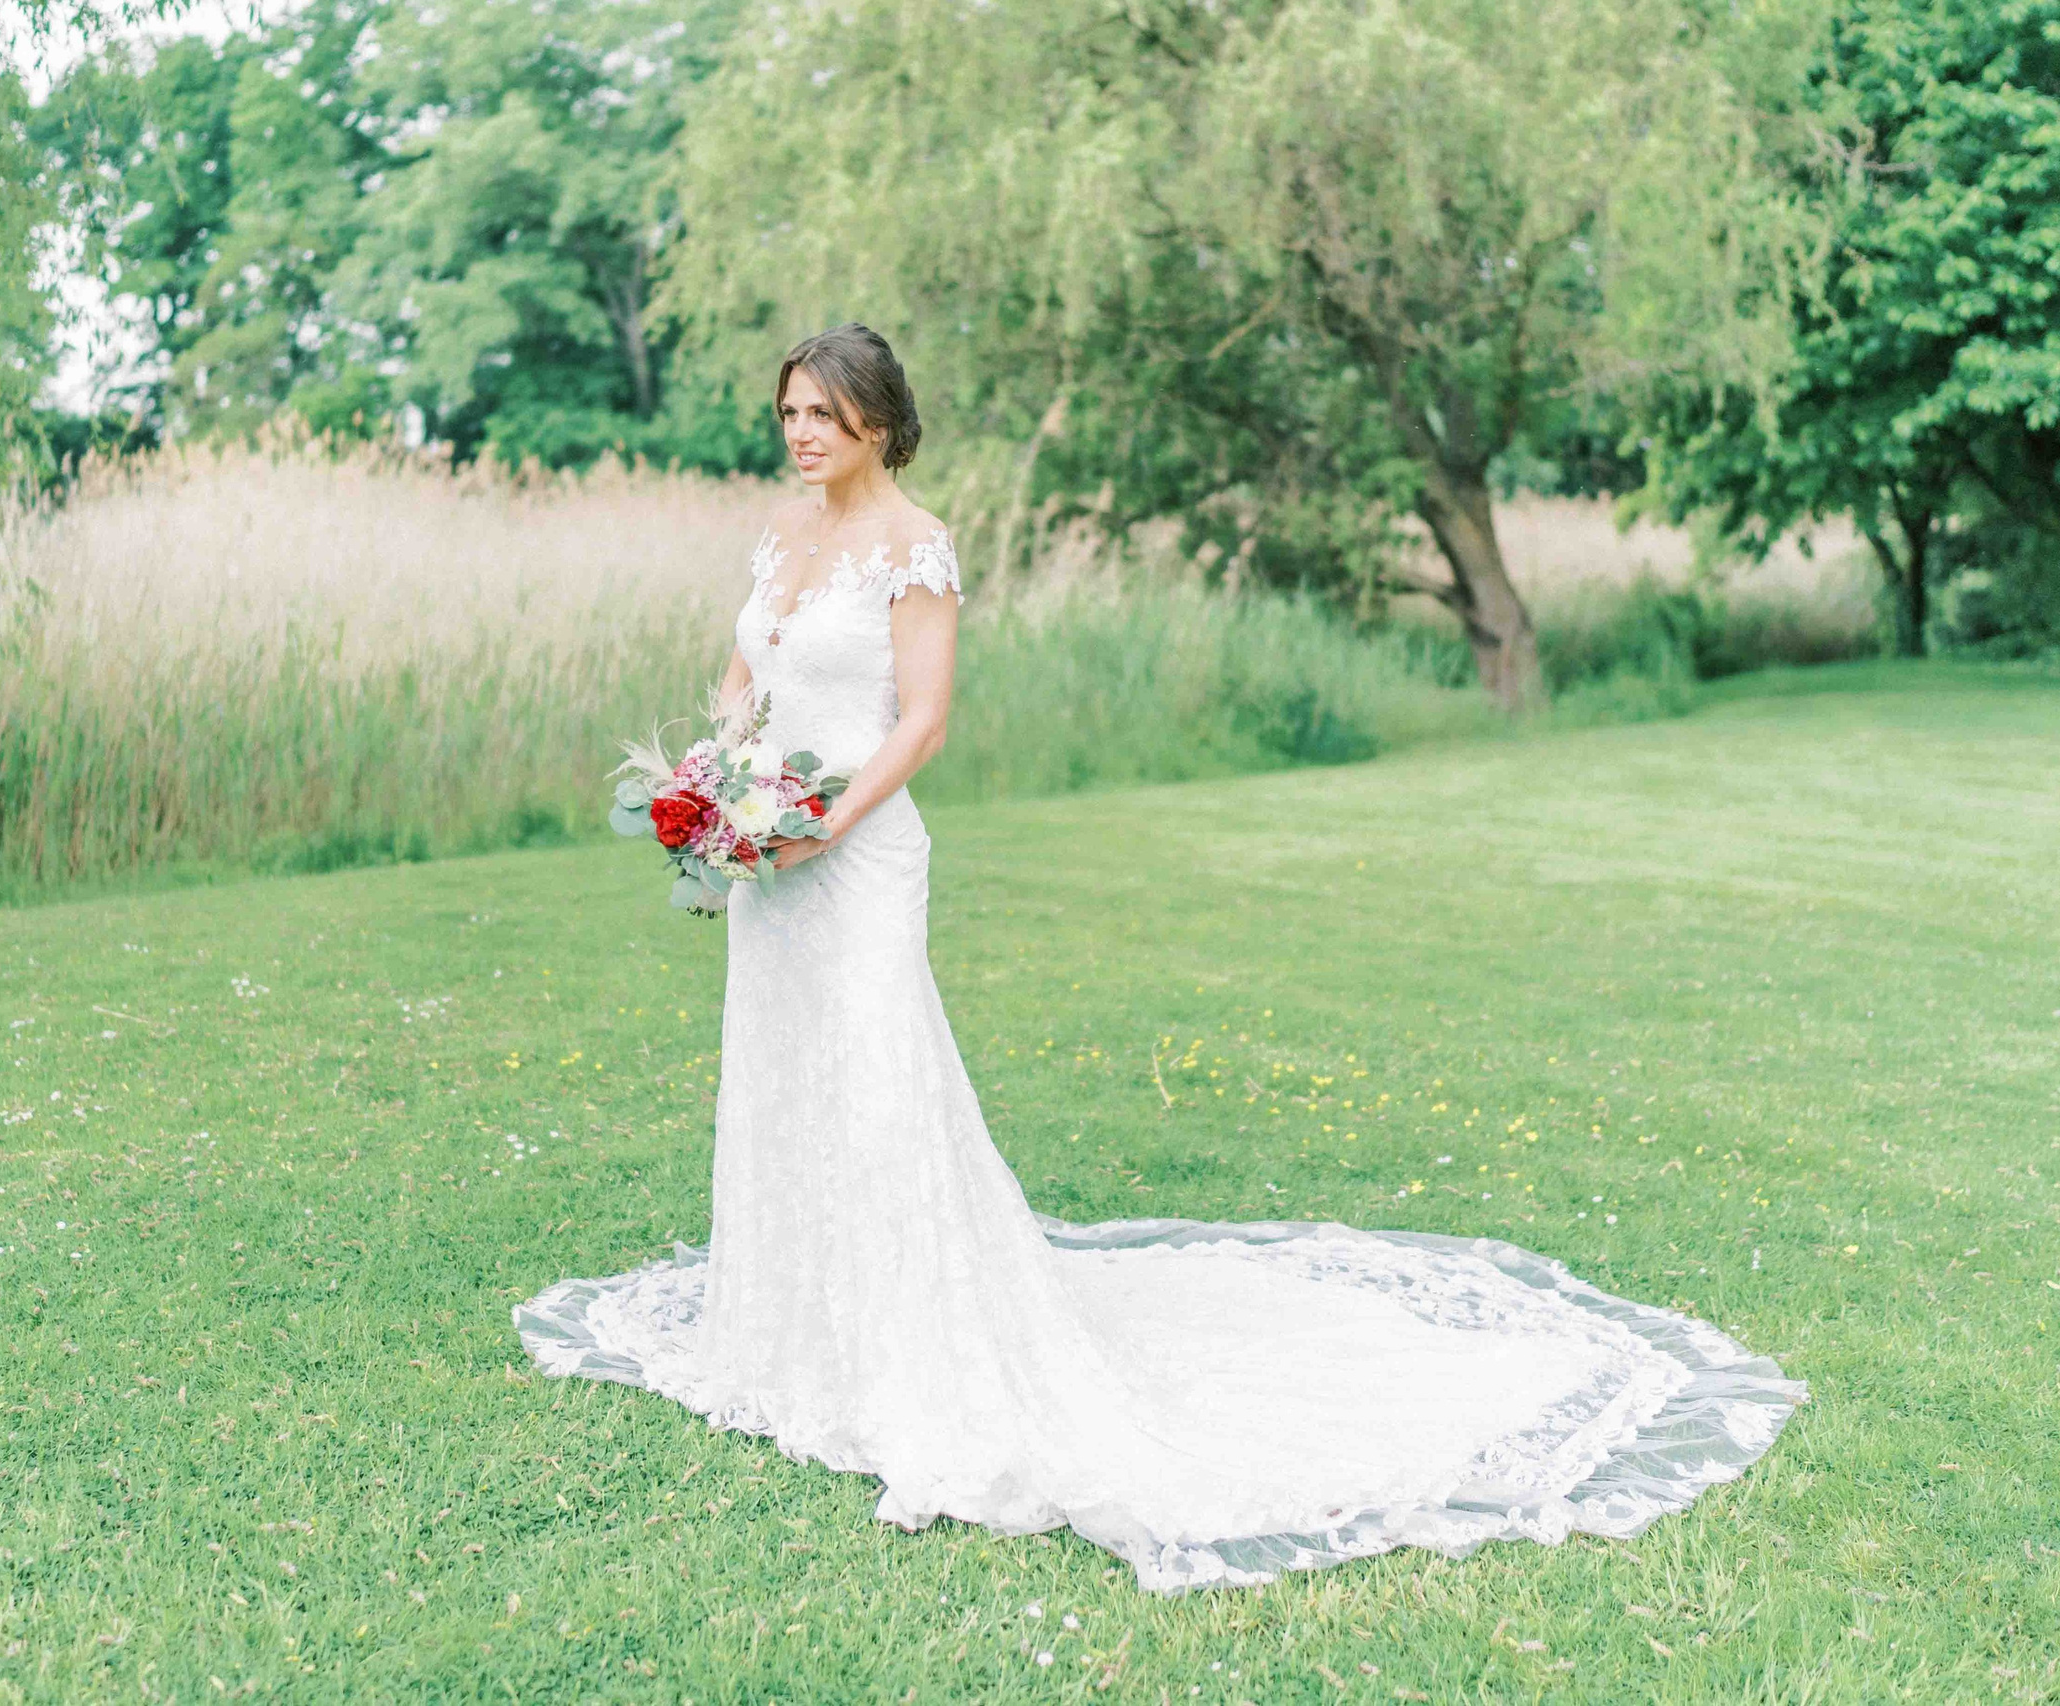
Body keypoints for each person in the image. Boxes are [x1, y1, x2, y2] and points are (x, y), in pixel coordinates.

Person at [517, 323, 1802, 1590]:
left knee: (875, 1072)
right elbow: (746, 664)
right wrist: (727, 778)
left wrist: (822, 822)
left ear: (879, 423)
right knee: (782, 1071)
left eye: (821, 415)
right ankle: (795, 1330)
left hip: (852, 854)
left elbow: (924, 719)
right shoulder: (780, 536)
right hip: (766, 857)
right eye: (788, 412)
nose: (799, 434)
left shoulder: (915, 549)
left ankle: (912, 1351)